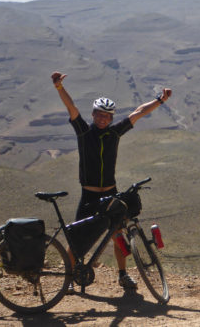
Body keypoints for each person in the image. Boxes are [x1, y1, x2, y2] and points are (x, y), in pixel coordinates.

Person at [51, 71, 172, 291]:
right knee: (77, 239)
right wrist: (59, 87)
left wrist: (160, 100)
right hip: (89, 195)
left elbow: (138, 113)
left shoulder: (115, 133)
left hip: (110, 192)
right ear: (94, 114)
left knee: (118, 235)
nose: (102, 118)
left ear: (111, 118)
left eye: (106, 116)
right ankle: (68, 280)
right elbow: (72, 108)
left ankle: (123, 275)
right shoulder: (84, 132)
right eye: (98, 114)